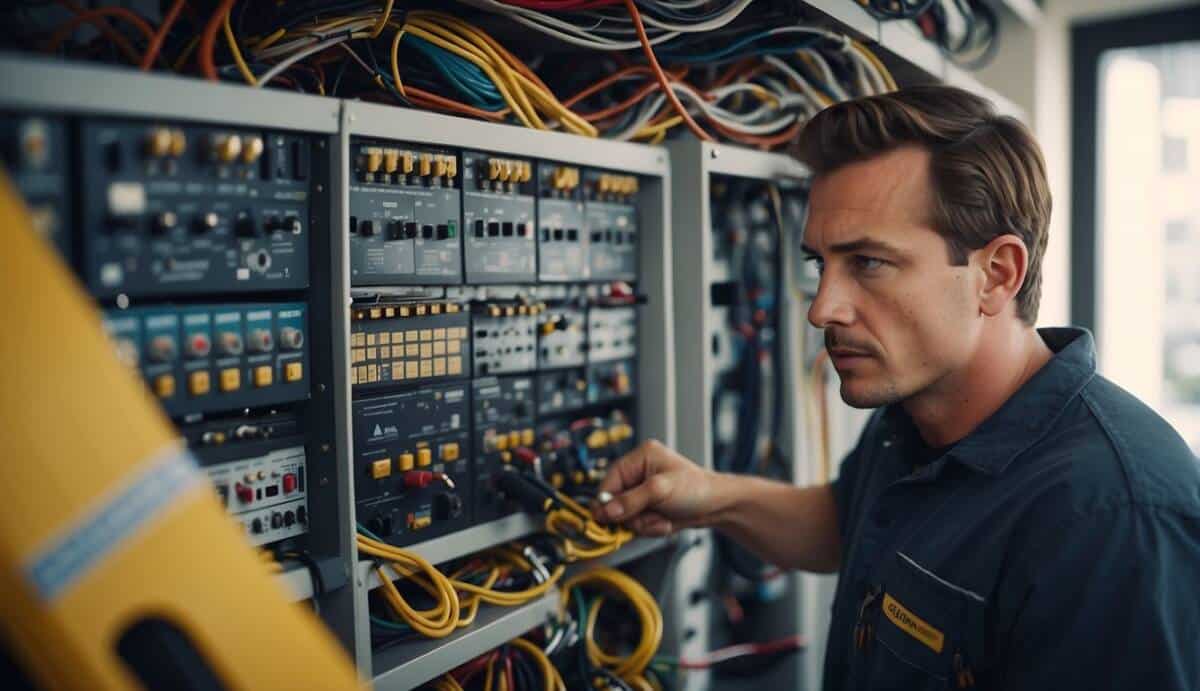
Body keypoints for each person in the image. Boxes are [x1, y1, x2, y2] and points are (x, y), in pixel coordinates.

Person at [593, 85, 1200, 690]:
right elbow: (846, 525)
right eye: (819, 265)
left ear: (996, 274)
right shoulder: (915, 412)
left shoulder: (1112, 520)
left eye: (869, 263)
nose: (823, 308)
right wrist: (709, 495)